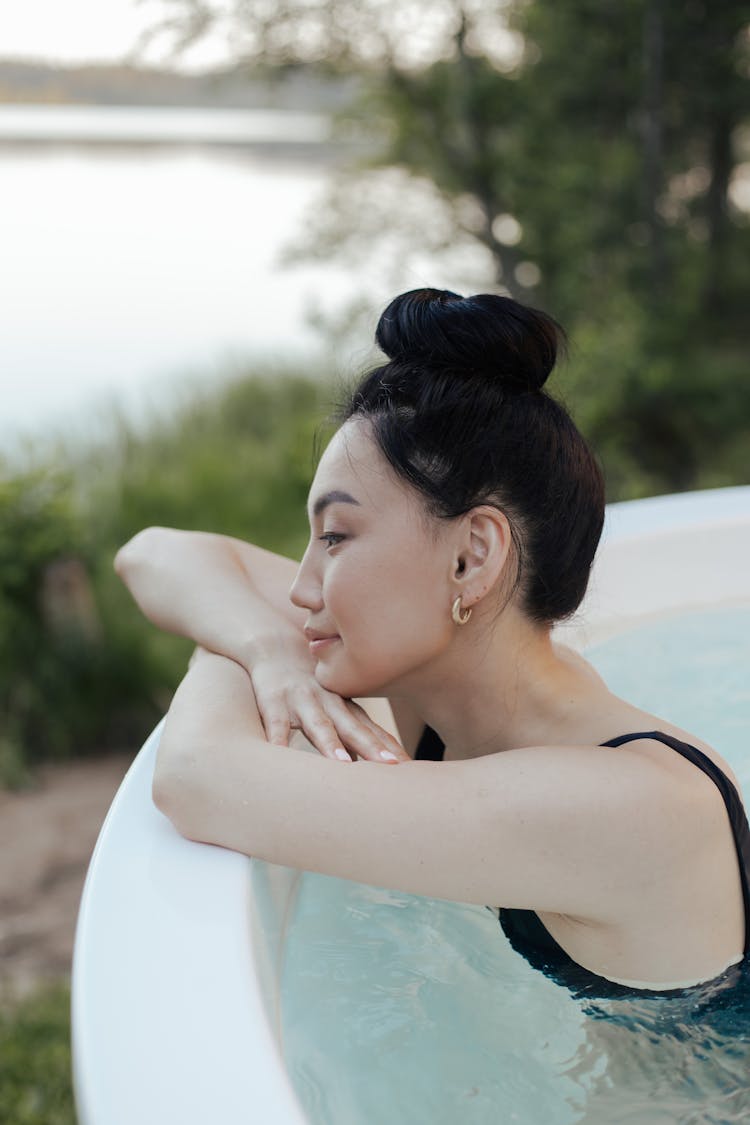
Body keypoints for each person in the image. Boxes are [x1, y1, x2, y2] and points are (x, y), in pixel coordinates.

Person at [115, 287, 749, 996]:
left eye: (336, 536)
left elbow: (197, 777)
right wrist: (264, 646)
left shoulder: (627, 804)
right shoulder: (448, 697)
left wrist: (237, 640)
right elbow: (154, 554)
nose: (301, 588)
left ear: (471, 557)